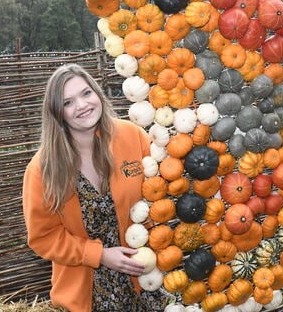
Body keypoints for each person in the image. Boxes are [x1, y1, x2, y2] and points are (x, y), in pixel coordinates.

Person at [22, 64, 171, 312]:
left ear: (97, 93)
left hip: (147, 282)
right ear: (57, 113)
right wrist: (99, 255)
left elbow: (161, 192)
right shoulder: (42, 169)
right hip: (88, 296)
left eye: (86, 93)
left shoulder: (132, 136)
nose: (82, 105)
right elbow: (43, 237)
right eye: (68, 102)